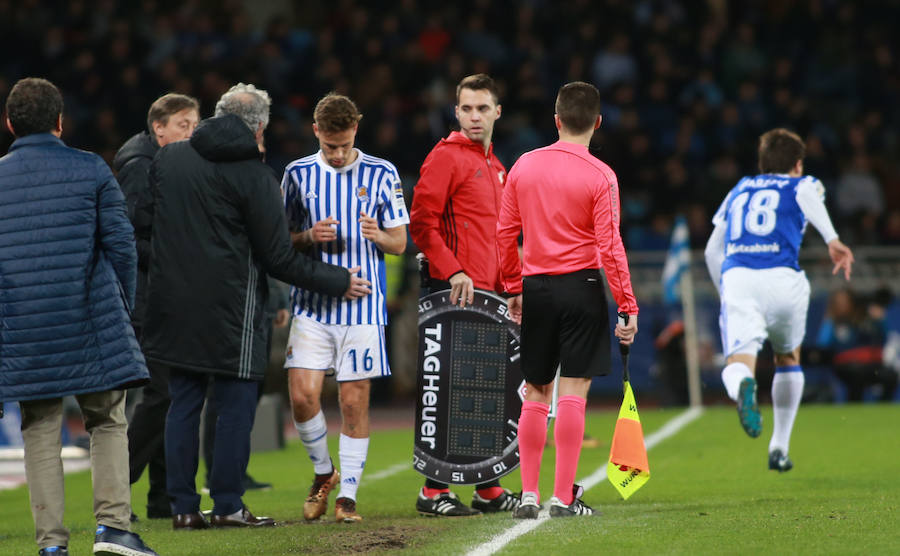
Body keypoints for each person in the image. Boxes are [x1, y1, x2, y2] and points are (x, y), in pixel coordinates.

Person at [142, 83, 371, 531]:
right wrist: (338, 280)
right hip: (235, 310)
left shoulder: (168, 159)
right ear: (259, 127)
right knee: (234, 407)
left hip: (173, 305)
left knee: (183, 402)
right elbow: (278, 258)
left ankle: (183, 508)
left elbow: (146, 222)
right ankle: (227, 504)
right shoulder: (254, 175)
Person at [0, 77, 157, 556]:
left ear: (9, 125)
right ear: (60, 122)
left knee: (39, 429)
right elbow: (122, 245)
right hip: (91, 319)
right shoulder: (90, 169)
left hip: (24, 327)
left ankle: (51, 544)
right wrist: (124, 310)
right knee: (107, 420)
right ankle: (112, 529)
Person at [496, 81, 639, 519]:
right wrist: (627, 305)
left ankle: (528, 496)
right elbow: (610, 246)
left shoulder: (523, 165)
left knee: (536, 392)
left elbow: (504, 234)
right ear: (597, 123)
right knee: (574, 390)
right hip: (581, 288)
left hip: (536, 289)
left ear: (555, 120)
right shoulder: (602, 175)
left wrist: (514, 287)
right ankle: (563, 497)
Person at [281, 93, 408, 523]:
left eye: (344, 145)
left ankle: (347, 498)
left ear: (356, 130)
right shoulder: (297, 174)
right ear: (316, 132)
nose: (337, 155)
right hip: (312, 304)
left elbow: (400, 243)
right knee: (302, 396)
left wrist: (379, 237)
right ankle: (323, 472)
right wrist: (307, 237)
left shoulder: (382, 172)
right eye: (329, 146)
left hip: (363, 308)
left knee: (353, 403)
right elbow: (282, 240)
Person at [704, 128, 854, 472]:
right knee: (788, 358)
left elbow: (713, 249)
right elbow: (809, 195)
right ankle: (779, 448)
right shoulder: (802, 184)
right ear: (797, 164)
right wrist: (832, 239)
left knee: (738, 363)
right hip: (785, 281)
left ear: (762, 163)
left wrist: (726, 290)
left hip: (741, 278)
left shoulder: (739, 188)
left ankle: (744, 383)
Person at [409, 74, 520, 516]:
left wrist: (511, 288)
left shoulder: (496, 165)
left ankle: (487, 490)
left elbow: (503, 237)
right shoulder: (446, 158)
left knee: (487, 392)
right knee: (454, 392)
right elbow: (422, 223)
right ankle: (432, 492)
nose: (475, 116)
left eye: (483, 108)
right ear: (456, 112)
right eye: (467, 108)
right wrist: (453, 270)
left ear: (497, 112)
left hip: (490, 296)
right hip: (453, 292)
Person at [113, 92, 200, 521]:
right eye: (183, 125)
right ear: (159, 127)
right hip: (147, 298)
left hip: (164, 293)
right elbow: (127, 238)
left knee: (173, 394)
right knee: (161, 394)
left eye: (194, 125)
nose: (190, 132)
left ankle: (162, 497)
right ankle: (114, 490)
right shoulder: (140, 166)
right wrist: (177, 253)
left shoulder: (162, 161)